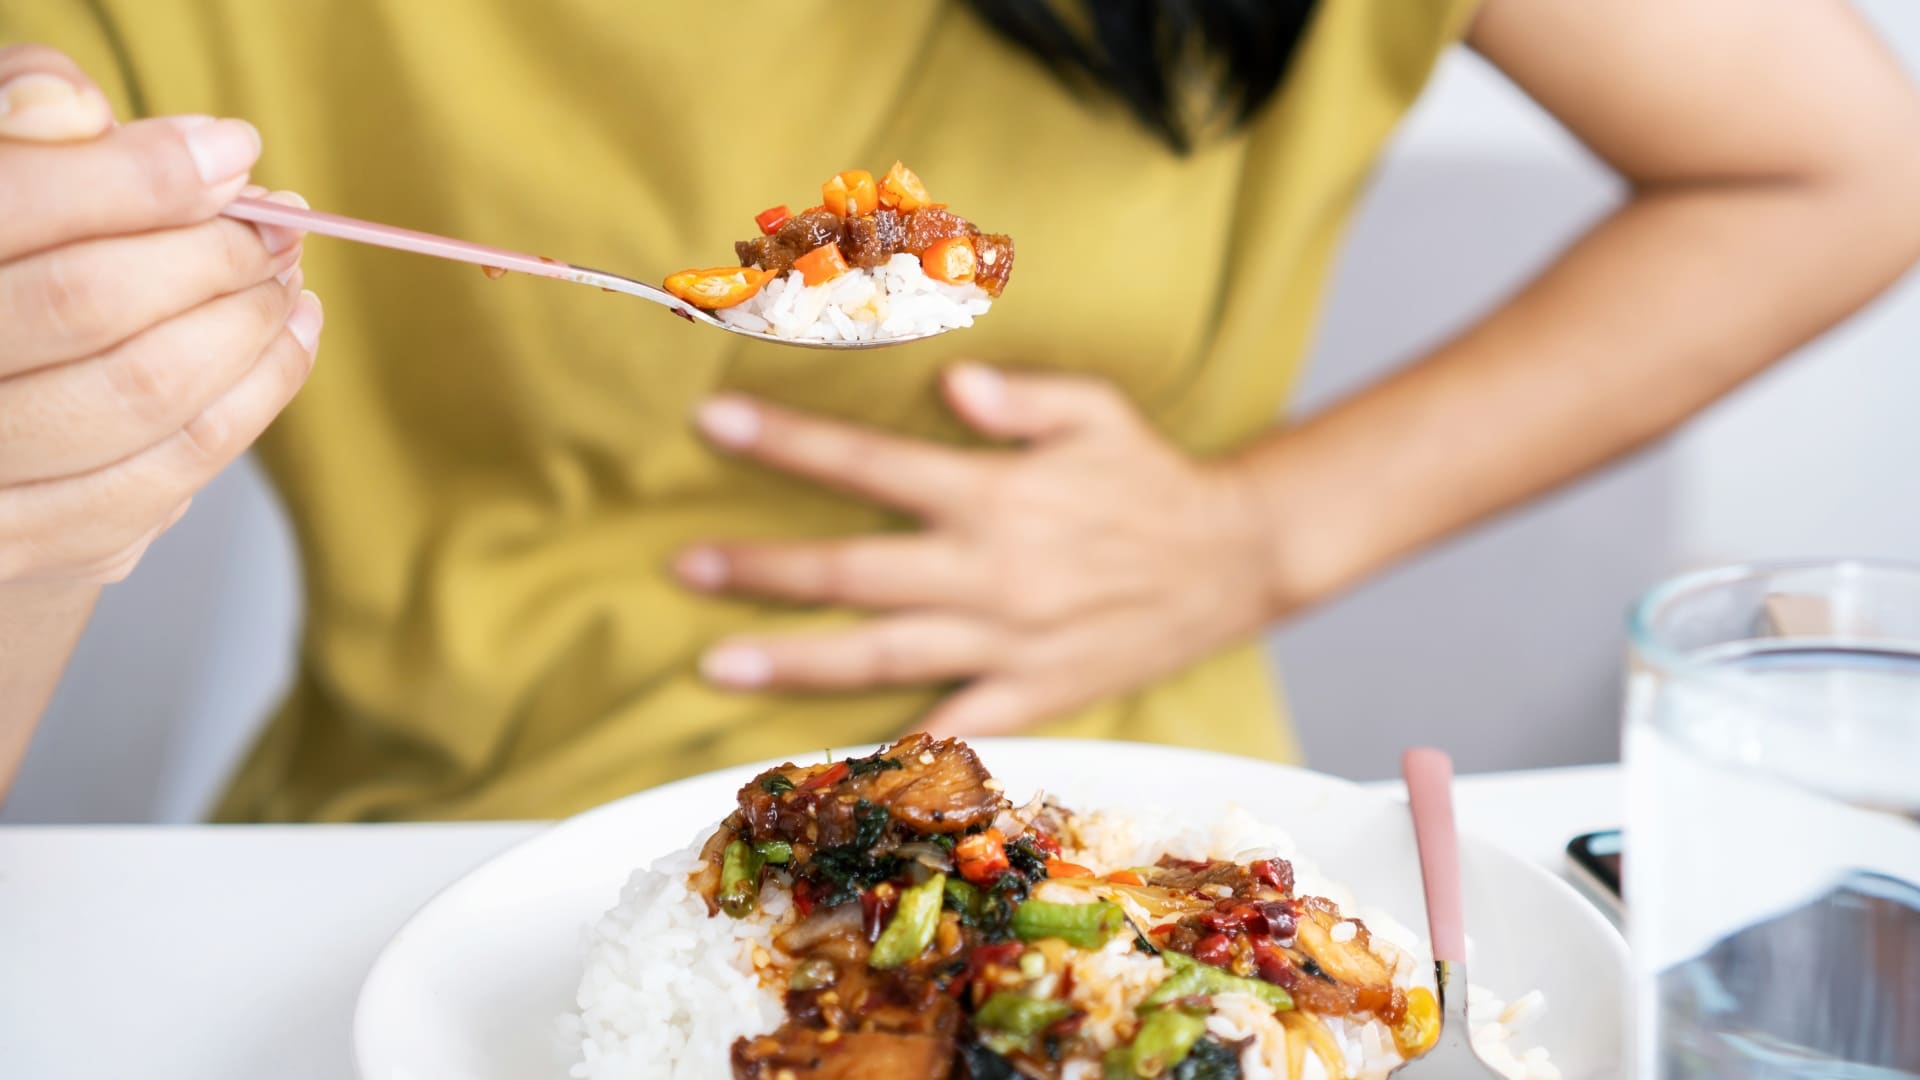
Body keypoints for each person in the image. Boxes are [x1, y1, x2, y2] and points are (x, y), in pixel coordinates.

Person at [2, 2, 1918, 821]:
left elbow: (1844, 168)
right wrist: (37, 502)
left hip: (1117, 824)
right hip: (425, 844)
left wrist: (1264, 533)